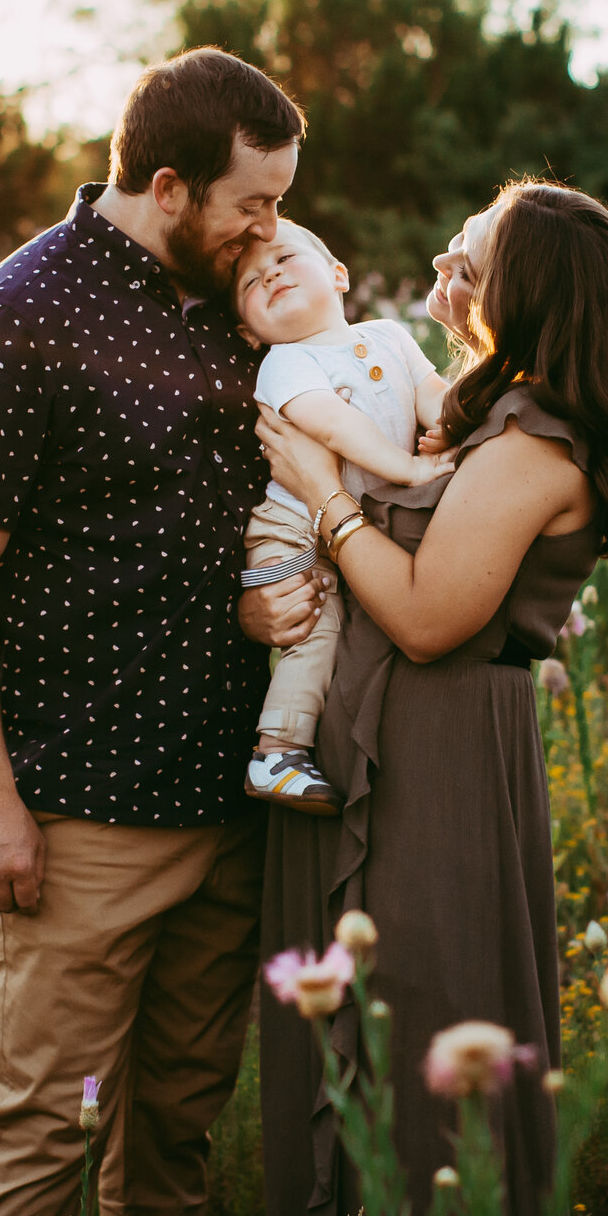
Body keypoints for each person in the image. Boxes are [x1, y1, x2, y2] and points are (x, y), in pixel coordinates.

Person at [0, 46, 320, 1216]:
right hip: (83, 819)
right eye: (253, 201)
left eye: (282, 201)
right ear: (166, 182)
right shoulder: (16, 319)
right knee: (53, 1126)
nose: (272, 225)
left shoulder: (238, 301)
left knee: (175, 1132)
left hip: (225, 801)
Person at [249, 179, 608, 1216]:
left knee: (425, 1024)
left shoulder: (534, 444)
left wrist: (323, 496)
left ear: (524, 293)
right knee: (369, 1028)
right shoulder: (482, 409)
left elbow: (432, 615)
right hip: (374, 735)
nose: (444, 259)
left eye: (469, 255)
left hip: (436, 760)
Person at [231, 221, 454, 814]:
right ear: (249, 331)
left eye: (284, 258)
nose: (270, 273)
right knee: (314, 629)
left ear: (338, 275)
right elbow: (334, 424)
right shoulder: (284, 363)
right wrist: (406, 468)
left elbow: (432, 393)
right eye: (251, 281)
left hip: (351, 526)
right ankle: (276, 751)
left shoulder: (388, 334)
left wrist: (450, 429)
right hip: (290, 531)